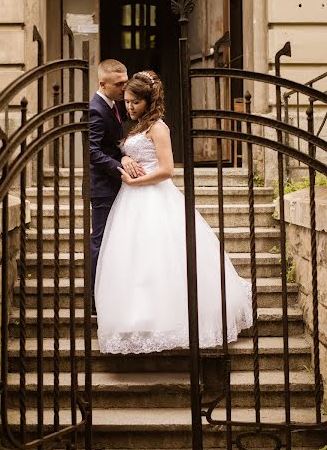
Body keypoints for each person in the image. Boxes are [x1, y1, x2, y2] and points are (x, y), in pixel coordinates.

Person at [94, 70, 252, 353]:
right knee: (134, 261)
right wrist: (127, 157)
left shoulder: (158, 127)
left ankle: (170, 321)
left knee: (161, 259)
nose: (129, 107)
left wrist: (135, 181)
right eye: (127, 102)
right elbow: (127, 151)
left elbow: (167, 170)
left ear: (148, 101)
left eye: (135, 103)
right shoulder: (137, 127)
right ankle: (137, 319)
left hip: (152, 195)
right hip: (131, 200)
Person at [89, 59, 144, 309]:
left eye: (126, 81)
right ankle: (94, 299)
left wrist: (124, 152)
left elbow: (111, 144)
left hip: (114, 184)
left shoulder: (112, 105)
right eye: (120, 84)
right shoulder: (96, 109)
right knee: (100, 241)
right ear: (103, 83)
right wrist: (120, 167)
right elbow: (92, 151)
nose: (125, 88)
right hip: (103, 186)